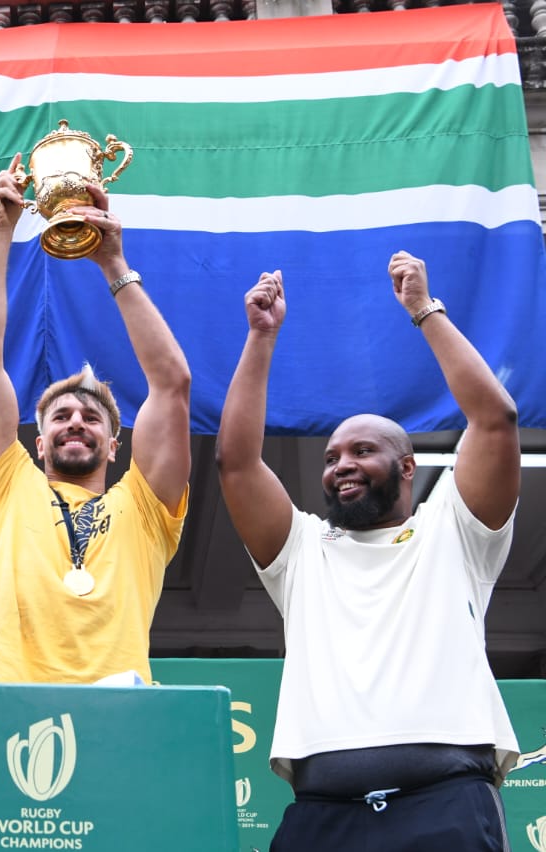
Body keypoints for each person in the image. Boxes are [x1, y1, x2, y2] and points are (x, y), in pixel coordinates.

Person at [215, 252, 519, 851]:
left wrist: (423, 310)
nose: (342, 466)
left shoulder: (454, 530)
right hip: (323, 815)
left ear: (407, 467)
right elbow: (236, 463)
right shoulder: (303, 549)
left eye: (362, 451)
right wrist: (261, 337)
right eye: (331, 458)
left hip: (447, 805)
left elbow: (496, 419)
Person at [0, 156, 191, 684]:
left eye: (92, 417)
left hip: (118, 718)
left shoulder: (147, 507)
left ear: (114, 446)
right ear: (39, 445)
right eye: (60, 416)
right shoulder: (3, 481)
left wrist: (113, 263)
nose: (76, 421)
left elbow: (172, 385)